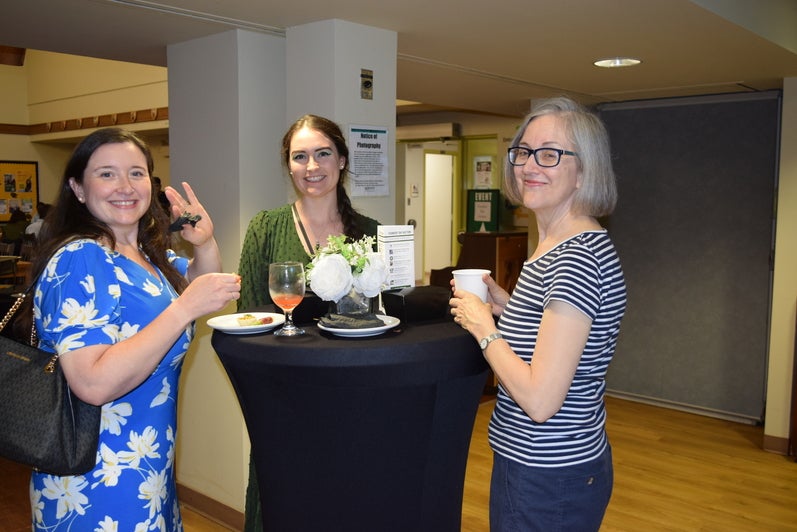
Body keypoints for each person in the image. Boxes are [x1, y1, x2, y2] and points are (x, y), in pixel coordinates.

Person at [21, 127, 241, 531]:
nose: (125, 186)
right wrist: (183, 310)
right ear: (78, 188)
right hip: (96, 480)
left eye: (136, 173)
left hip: (146, 470)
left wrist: (205, 243)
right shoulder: (81, 258)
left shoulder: (144, 254)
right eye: (106, 174)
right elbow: (92, 383)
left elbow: (198, 285)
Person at [449, 96, 626, 531]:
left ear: (585, 171)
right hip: (550, 464)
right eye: (523, 152)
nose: (529, 165)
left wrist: (484, 328)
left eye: (550, 154)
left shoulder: (575, 259)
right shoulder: (557, 245)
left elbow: (541, 400)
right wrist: (509, 308)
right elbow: (562, 333)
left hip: (547, 473)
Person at [237, 114, 379, 531]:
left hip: (354, 396)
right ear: (289, 165)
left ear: (341, 160)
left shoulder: (369, 233)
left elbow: (387, 315)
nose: (312, 167)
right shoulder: (266, 227)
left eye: (322, 154)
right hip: (285, 397)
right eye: (300, 157)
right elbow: (249, 317)